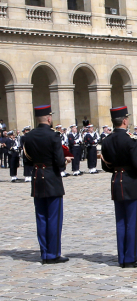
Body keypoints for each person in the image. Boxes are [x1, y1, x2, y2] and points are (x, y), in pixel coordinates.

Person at [100, 105, 137, 268]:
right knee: (132, 222)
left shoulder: (107, 140)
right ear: (124, 121)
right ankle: (131, 257)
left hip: (116, 180)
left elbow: (105, 166)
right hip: (131, 182)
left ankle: (122, 257)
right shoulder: (130, 139)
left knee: (121, 222)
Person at [22, 105, 72, 264]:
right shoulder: (54, 136)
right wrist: (66, 160)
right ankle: (53, 253)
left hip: (37, 177)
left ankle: (44, 252)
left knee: (41, 217)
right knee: (54, 217)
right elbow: (59, 161)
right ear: (49, 118)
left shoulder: (28, 137)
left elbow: (27, 160)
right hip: (51, 177)